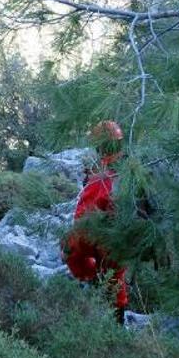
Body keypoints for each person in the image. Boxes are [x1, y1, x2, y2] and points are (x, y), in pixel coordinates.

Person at [61, 120, 129, 325]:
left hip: (106, 241)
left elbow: (83, 223)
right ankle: (117, 316)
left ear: (100, 147)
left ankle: (90, 286)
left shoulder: (101, 179)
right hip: (124, 238)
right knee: (116, 279)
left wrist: (67, 246)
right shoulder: (127, 168)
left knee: (74, 252)